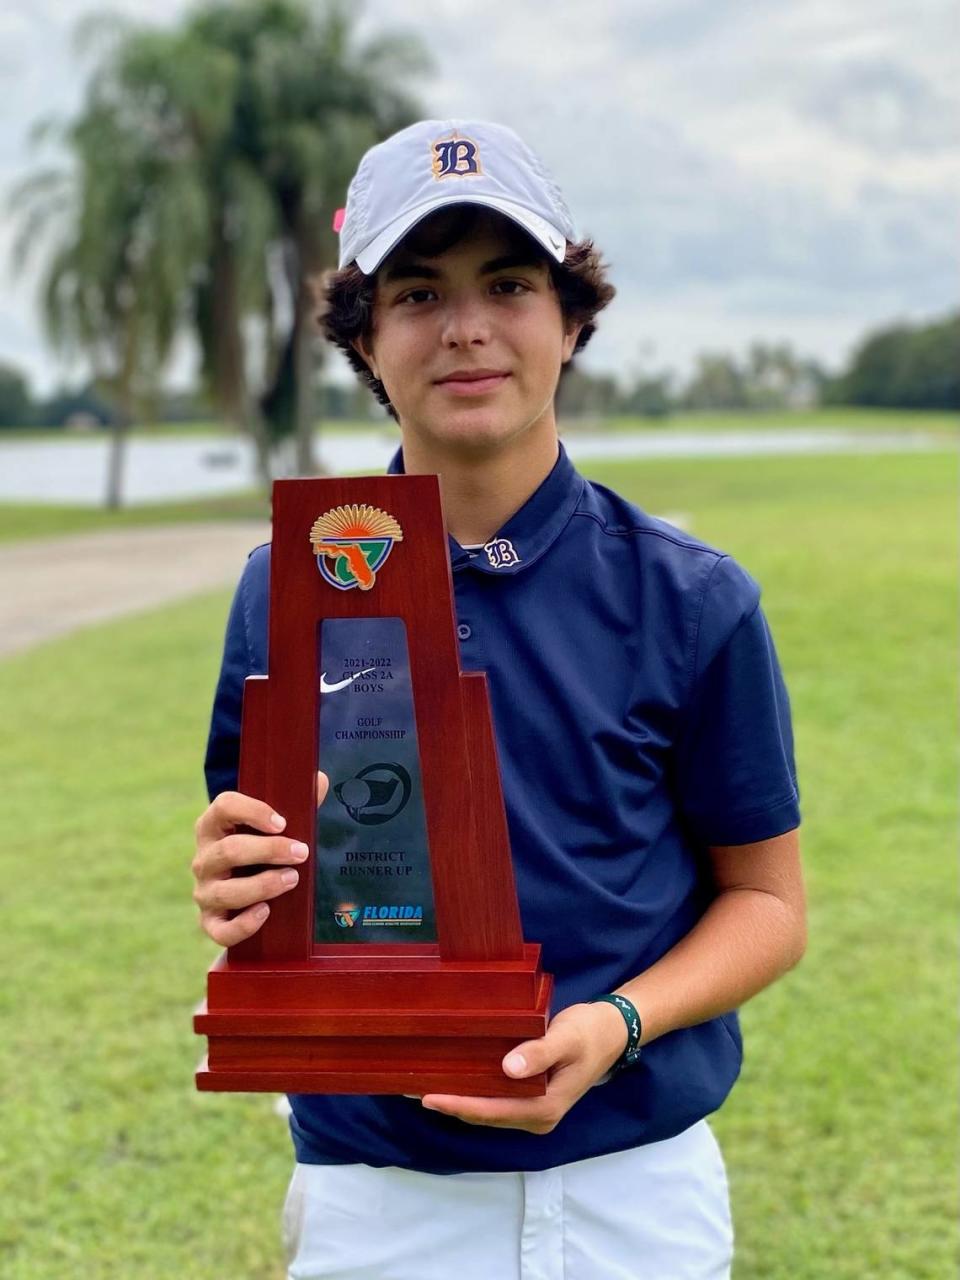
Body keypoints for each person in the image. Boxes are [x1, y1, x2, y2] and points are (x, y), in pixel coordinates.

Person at [192, 119, 805, 1279]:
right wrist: (235, 879)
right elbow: (268, 875)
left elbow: (769, 903)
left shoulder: (691, 596)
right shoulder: (293, 578)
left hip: (635, 1179)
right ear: (363, 339)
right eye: (418, 291)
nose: (467, 325)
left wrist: (616, 1023)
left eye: (509, 283)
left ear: (570, 319)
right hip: (378, 1189)